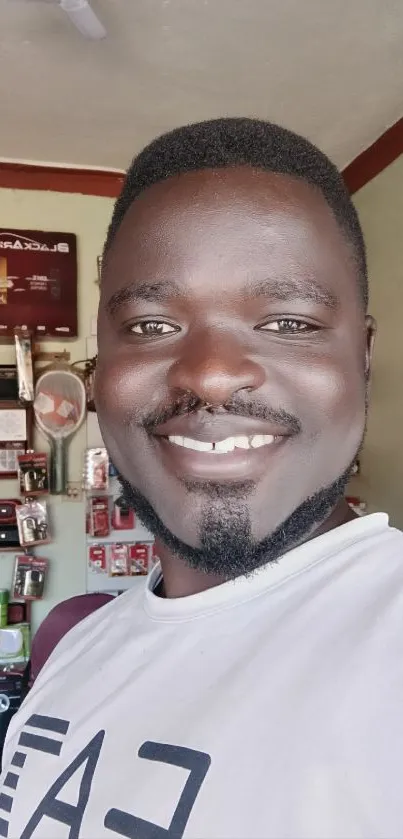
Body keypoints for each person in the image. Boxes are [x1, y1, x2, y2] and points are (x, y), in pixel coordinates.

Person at [1, 117, 402, 839]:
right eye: (151, 326)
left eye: (287, 322)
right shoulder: (74, 650)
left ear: (361, 356)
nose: (212, 373)